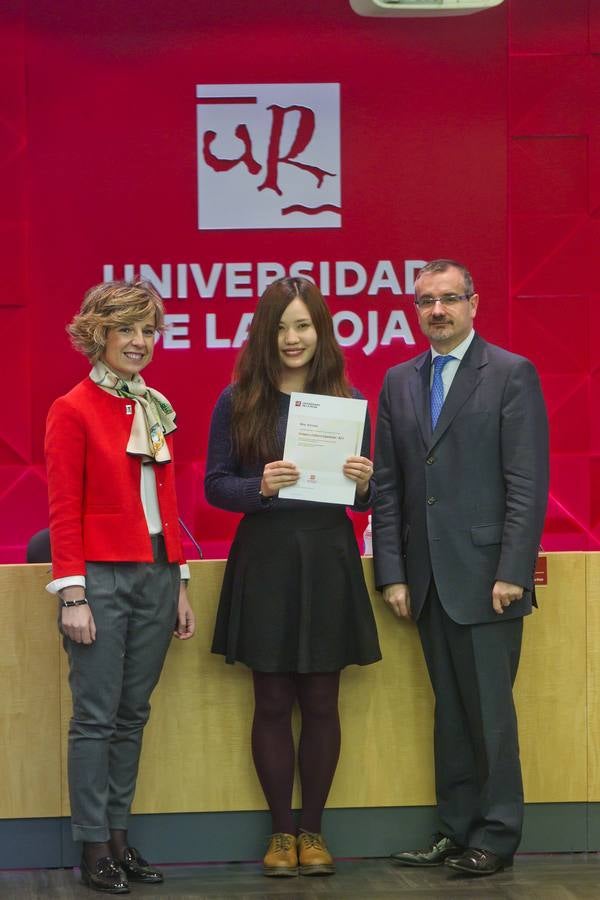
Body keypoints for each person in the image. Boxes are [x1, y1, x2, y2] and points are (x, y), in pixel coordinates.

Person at [373, 259, 549, 877]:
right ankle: (454, 829)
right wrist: (392, 572)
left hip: (489, 581)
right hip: (425, 583)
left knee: (490, 717)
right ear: (414, 309)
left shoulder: (509, 374)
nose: (437, 311)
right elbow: (389, 485)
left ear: (474, 304)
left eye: (449, 299)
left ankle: (497, 837)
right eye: (426, 301)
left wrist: (513, 571)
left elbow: (527, 484)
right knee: (450, 711)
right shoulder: (397, 381)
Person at [205, 276, 381, 878]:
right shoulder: (238, 400)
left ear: (320, 330)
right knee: (273, 700)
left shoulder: (345, 398)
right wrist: (260, 486)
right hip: (267, 560)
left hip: (328, 559)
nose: (291, 338)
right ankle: (281, 835)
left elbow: (365, 501)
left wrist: (364, 482)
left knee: (323, 701)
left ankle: (315, 831)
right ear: (262, 333)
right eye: (279, 327)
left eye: (302, 325)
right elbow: (214, 485)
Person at [45, 280, 196, 894]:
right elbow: (63, 508)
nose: (139, 342)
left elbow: (166, 501)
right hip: (101, 581)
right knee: (96, 718)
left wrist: (179, 581)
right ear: (98, 335)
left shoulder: (151, 404)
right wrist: (73, 595)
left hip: (157, 574)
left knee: (133, 715)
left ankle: (119, 838)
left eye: (148, 330)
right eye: (126, 330)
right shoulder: (72, 408)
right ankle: (93, 847)